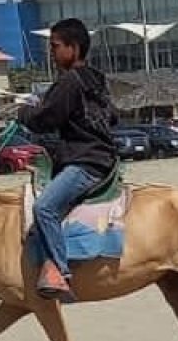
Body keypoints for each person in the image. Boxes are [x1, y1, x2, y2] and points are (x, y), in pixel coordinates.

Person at [17, 17, 119, 302]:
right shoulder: (96, 80)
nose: (51, 52)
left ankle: (59, 271)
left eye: (55, 46)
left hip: (85, 162)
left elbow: (45, 119)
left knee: (44, 207)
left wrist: (22, 114)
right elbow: (112, 116)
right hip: (103, 158)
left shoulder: (69, 82)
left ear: (73, 48)